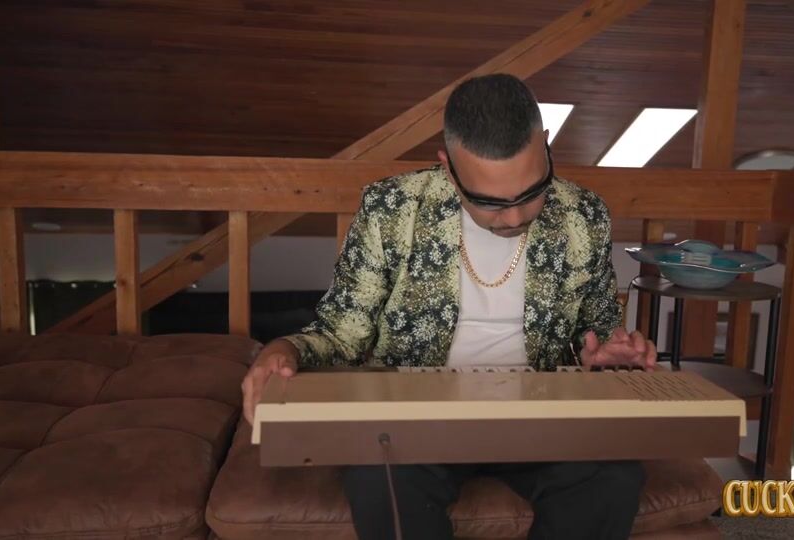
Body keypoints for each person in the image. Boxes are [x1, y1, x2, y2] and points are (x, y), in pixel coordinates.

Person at [242, 73, 658, 540]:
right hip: (416, 416)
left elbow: (596, 331)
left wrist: (603, 356)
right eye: (488, 202)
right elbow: (342, 333)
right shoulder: (392, 208)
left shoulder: (584, 214)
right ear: (448, 166)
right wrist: (284, 348)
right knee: (377, 476)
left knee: (614, 475)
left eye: (532, 192)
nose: (515, 216)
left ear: (545, 145)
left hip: (541, 412)